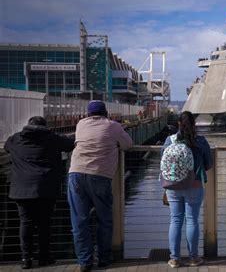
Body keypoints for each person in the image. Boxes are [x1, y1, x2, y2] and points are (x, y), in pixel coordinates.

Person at [68, 100, 133, 271]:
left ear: (88, 114)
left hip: (76, 174)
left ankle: (84, 261)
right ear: (106, 113)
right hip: (99, 175)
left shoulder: (81, 124)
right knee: (104, 219)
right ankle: (104, 258)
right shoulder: (113, 126)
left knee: (79, 221)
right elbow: (128, 145)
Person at [4, 116, 75, 269]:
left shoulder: (15, 139)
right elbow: (70, 144)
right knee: (45, 223)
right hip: (46, 187)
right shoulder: (53, 138)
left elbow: (6, 147)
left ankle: (26, 259)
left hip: (21, 189)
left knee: (25, 223)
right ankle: (44, 257)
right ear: (45, 126)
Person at [161, 111, 213, 268]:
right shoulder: (201, 141)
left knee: (175, 220)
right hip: (195, 184)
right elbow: (209, 164)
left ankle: (175, 259)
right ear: (194, 125)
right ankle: (193, 258)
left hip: (173, 186)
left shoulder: (169, 140)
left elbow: (163, 163)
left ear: (178, 123)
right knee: (192, 220)